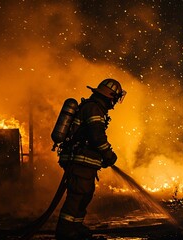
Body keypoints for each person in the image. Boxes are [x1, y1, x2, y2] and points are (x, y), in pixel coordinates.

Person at [55, 78, 126, 240]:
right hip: (80, 160)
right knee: (77, 196)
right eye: (115, 99)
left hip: (83, 162)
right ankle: (65, 231)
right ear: (110, 96)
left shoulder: (94, 108)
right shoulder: (93, 109)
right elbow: (97, 137)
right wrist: (109, 155)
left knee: (85, 195)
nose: (114, 103)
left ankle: (75, 226)